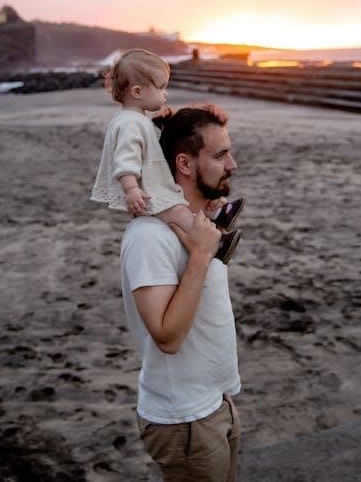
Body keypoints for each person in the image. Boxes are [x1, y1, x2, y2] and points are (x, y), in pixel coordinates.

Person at [121, 105, 242, 481]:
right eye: (220, 155)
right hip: (184, 420)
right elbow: (167, 337)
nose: (233, 164)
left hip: (216, 402)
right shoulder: (149, 238)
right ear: (184, 164)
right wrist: (202, 256)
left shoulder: (197, 225)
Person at [91, 48, 244, 263]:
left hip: (151, 184)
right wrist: (132, 189)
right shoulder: (130, 123)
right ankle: (217, 242)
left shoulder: (137, 120)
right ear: (137, 92)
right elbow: (125, 160)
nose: (166, 94)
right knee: (178, 212)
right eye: (161, 87)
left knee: (180, 205)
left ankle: (216, 215)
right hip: (145, 191)